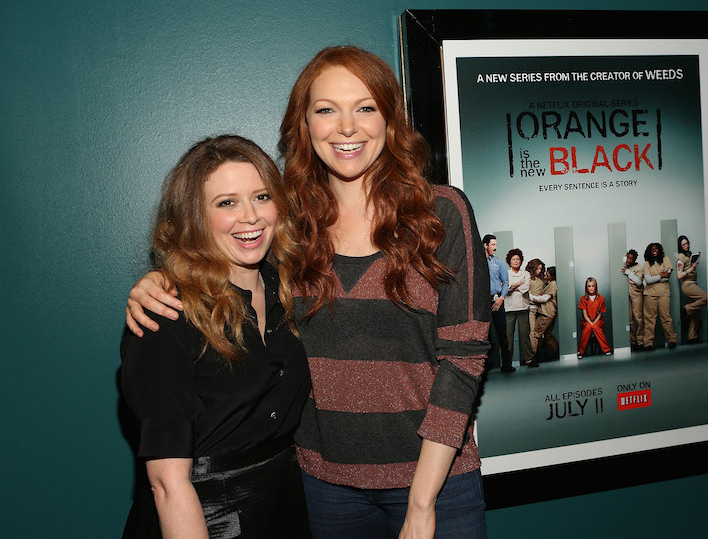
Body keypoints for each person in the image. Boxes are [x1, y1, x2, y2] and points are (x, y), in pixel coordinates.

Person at [126, 47, 490, 539]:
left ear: (389, 117)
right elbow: (217, 262)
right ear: (304, 124)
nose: (347, 127)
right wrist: (162, 280)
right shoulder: (286, 223)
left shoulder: (440, 214)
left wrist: (423, 503)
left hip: (438, 482)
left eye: (365, 107)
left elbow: (464, 357)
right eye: (326, 110)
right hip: (324, 489)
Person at [120, 135, 312, 538]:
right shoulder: (167, 314)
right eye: (227, 203)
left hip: (288, 509)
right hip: (203, 519)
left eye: (262, 197)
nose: (251, 217)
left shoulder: (293, 290)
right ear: (195, 218)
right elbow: (168, 484)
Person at [484, 234, 514, 372]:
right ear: (485, 245)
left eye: (495, 244)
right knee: (484, 336)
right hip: (482, 304)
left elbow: (506, 282)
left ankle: (507, 365)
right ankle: (483, 368)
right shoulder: (477, 264)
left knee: (502, 334)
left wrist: (501, 298)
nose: (495, 247)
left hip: (497, 301)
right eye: (493, 245)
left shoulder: (498, 262)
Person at [642, 242, 678, 350]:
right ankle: (648, 343)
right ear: (649, 251)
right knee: (649, 319)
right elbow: (648, 280)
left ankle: (672, 340)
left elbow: (667, 277)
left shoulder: (666, 259)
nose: (654, 251)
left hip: (664, 293)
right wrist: (660, 275)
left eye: (656, 249)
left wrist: (656, 277)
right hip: (649, 294)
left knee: (665, 317)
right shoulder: (647, 263)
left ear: (660, 250)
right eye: (652, 249)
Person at [676, 235, 708, 344]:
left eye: (687, 243)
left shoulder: (689, 255)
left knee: (696, 312)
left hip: (693, 284)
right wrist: (692, 268)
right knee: (706, 298)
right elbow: (679, 275)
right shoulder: (681, 257)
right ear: (680, 246)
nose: (687, 246)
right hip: (688, 285)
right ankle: (686, 309)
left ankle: (692, 337)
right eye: (684, 244)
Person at [504, 249, 533, 368]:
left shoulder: (526, 274)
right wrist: (518, 284)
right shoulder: (505, 273)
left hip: (523, 307)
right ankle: (507, 363)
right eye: (513, 259)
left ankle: (529, 360)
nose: (516, 261)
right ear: (509, 262)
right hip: (509, 309)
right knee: (508, 338)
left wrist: (513, 287)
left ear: (521, 261)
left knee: (525, 335)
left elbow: (526, 287)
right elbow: (506, 288)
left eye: (518, 259)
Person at [529, 266, 560, 359]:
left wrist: (530, 296)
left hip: (547, 313)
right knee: (548, 335)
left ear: (552, 275)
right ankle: (557, 353)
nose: (545, 274)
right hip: (551, 313)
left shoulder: (553, 284)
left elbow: (544, 298)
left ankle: (532, 356)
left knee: (535, 334)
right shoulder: (551, 283)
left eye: (548, 273)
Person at [577, 277, 612, 358]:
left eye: (593, 286)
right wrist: (590, 323)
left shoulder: (601, 298)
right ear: (586, 287)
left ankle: (607, 349)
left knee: (596, 327)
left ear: (596, 287)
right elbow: (584, 314)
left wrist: (594, 323)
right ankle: (581, 351)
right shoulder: (583, 299)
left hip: (598, 320)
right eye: (589, 286)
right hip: (586, 321)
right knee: (588, 327)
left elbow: (600, 314)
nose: (591, 288)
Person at [620, 249, 645, 351]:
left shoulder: (638, 268)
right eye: (628, 258)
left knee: (638, 319)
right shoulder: (626, 265)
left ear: (635, 259)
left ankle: (640, 342)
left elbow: (639, 282)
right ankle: (633, 342)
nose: (629, 260)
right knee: (629, 321)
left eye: (631, 259)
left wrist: (628, 273)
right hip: (628, 296)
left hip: (637, 295)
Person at [524, 258, 546, 367]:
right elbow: (526, 293)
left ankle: (536, 355)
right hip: (531, 309)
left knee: (538, 334)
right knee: (531, 333)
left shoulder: (542, 280)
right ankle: (531, 357)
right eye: (537, 269)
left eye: (540, 269)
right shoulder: (528, 278)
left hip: (541, 309)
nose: (539, 271)